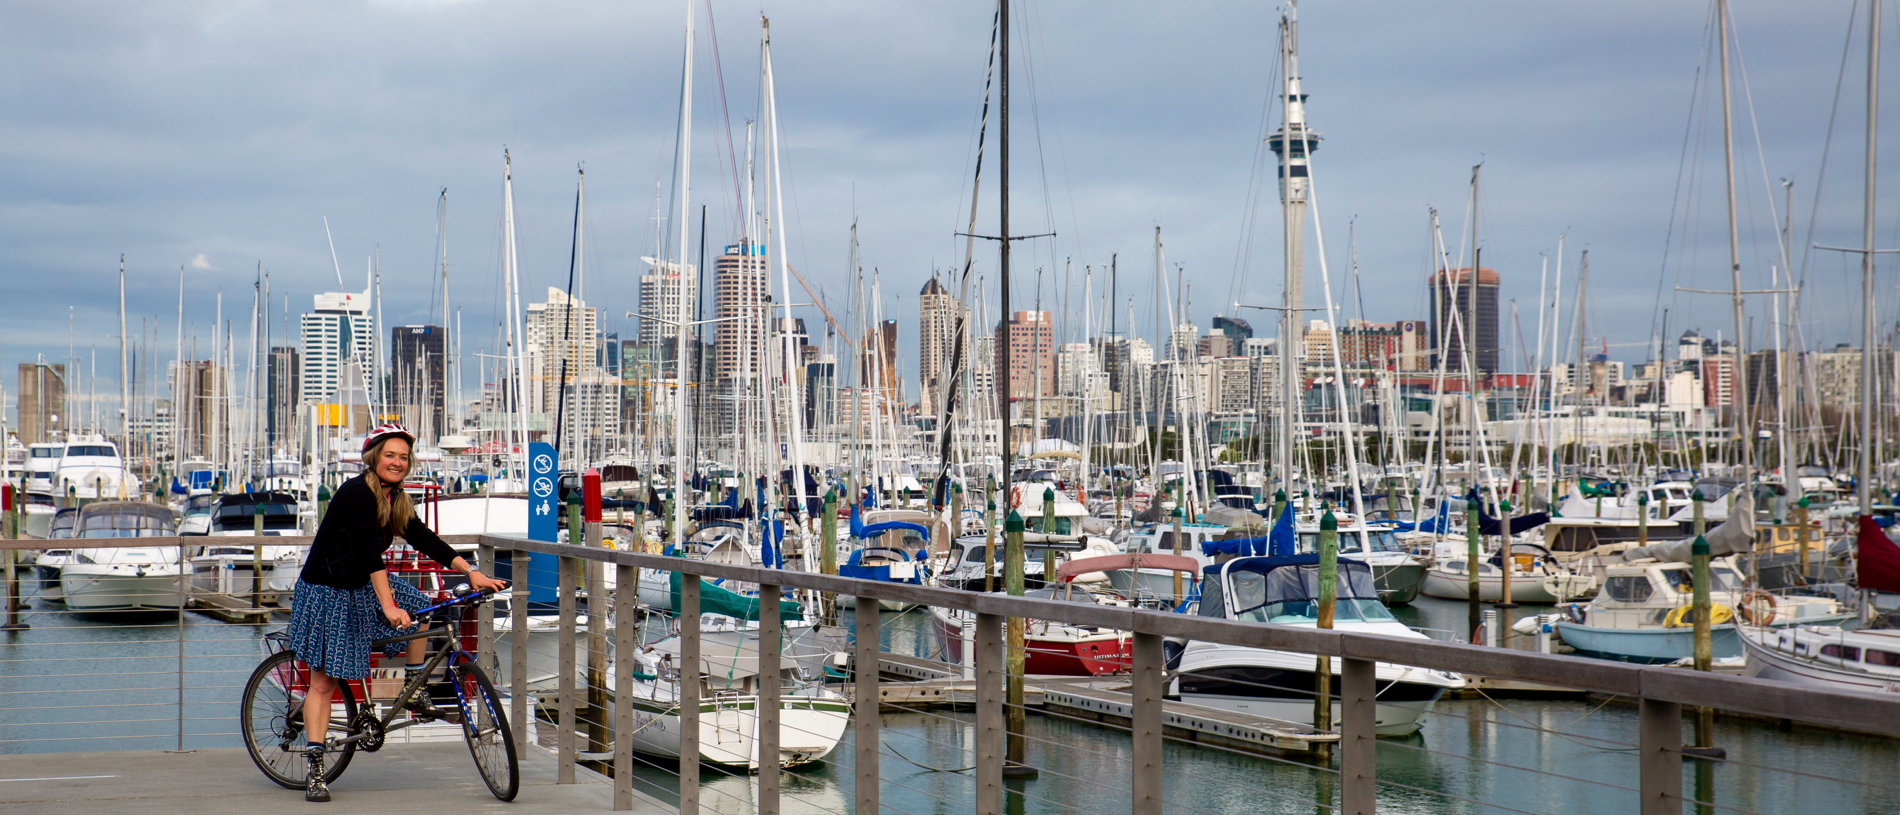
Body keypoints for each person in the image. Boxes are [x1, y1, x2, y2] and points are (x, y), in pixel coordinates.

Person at [284, 423, 508, 803]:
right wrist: (388, 606)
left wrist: (471, 571)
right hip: (329, 592)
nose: (397, 462)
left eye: (404, 457)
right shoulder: (357, 494)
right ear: (374, 457)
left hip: (363, 586)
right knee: (323, 682)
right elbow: (371, 555)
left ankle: (412, 687)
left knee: (425, 605)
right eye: (390, 455)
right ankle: (316, 769)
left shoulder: (396, 499)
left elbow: (425, 539)